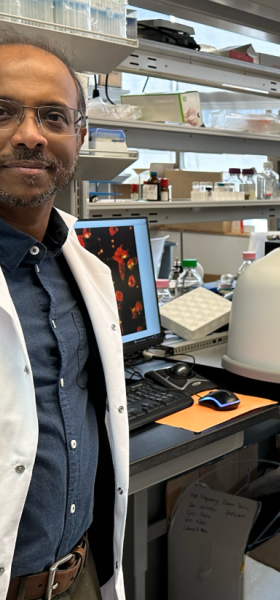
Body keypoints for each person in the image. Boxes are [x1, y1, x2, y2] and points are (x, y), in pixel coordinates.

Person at [0, 29, 128, 600]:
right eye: (3, 112)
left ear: (79, 136)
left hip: (79, 577)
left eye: (53, 117)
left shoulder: (83, 269)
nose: (30, 136)